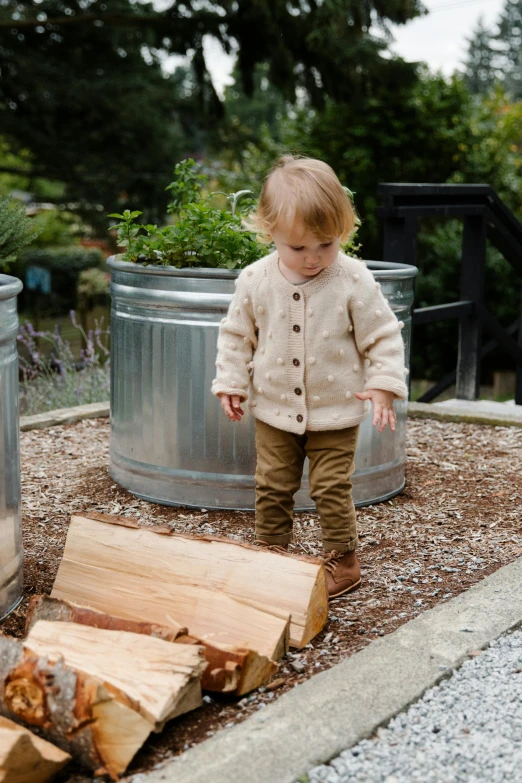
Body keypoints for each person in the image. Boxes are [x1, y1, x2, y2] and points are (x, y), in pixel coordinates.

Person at [211, 155, 408, 599]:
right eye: (298, 249)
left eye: (326, 245)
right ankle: (271, 552)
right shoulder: (256, 279)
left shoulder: (354, 279)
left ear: (342, 231)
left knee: (329, 485)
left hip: (336, 411)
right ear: (269, 231)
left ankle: (343, 558)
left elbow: (382, 336)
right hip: (274, 409)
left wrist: (382, 385)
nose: (314, 258)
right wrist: (230, 382)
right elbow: (237, 336)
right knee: (273, 483)